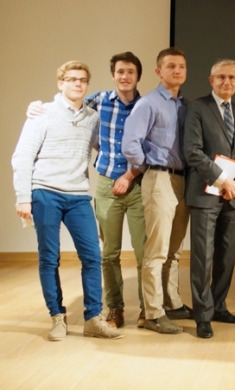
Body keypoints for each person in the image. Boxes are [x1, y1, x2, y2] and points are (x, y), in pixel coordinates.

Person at [26, 52, 147, 328]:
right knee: (108, 253)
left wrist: (129, 175)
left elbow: (150, 148)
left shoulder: (146, 106)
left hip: (137, 182)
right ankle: (114, 308)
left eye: (130, 72)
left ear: (138, 76)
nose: (125, 76)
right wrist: (35, 107)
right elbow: (68, 108)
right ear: (113, 75)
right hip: (106, 184)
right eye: (119, 72)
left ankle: (146, 308)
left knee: (143, 252)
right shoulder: (99, 102)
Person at [12, 61, 122, 341]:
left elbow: (107, 146)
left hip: (77, 196)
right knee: (49, 258)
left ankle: (93, 318)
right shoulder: (42, 113)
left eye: (83, 80)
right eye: (71, 79)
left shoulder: (93, 118)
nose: (77, 84)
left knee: (92, 256)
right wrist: (23, 198)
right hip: (44, 192)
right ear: (60, 83)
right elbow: (22, 157)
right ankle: (57, 317)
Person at [183, 59, 235, 339]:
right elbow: (192, 151)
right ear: (210, 80)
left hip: (233, 195)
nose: (227, 82)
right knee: (203, 256)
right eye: (222, 77)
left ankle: (219, 305)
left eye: (233, 78)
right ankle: (203, 315)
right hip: (205, 192)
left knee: (226, 255)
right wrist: (221, 180)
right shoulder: (197, 108)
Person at [122, 47, 192, 333]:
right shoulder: (149, 103)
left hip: (182, 180)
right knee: (157, 249)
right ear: (158, 71)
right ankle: (152, 313)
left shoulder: (185, 105)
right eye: (171, 66)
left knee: (174, 250)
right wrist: (149, 166)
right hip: (160, 179)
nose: (177, 71)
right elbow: (130, 144)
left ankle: (172, 303)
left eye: (182, 66)